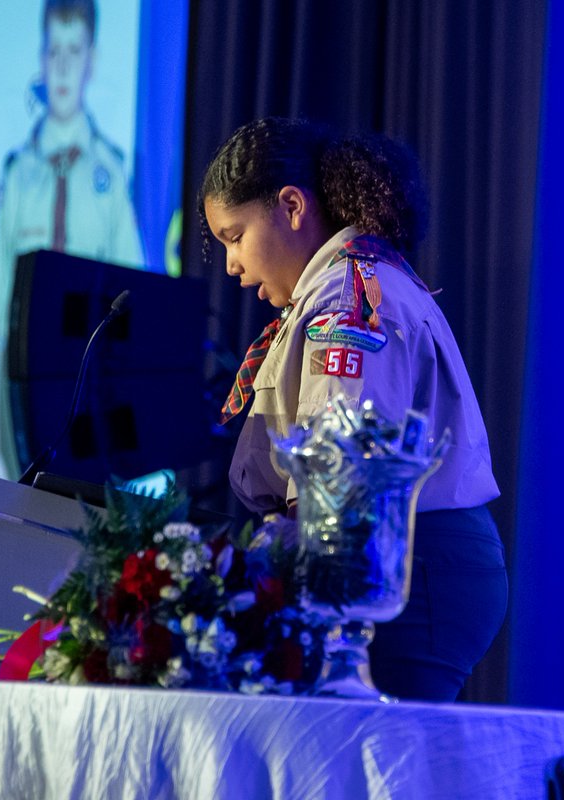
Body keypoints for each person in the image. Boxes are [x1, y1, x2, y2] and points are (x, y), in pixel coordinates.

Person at [201, 117, 507, 702]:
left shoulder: (347, 298)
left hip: (404, 565)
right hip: (412, 558)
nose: (231, 266)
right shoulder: (345, 286)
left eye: (234, 236)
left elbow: (346, 470)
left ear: (291, 206)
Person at [0, 0, 144, 479]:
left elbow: (133, 309)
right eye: (54, 51)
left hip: (87, 390)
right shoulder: (18, 176)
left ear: (92, 56)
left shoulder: (109, 175)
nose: (63, 65)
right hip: (24, 387)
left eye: (75, 50)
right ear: (41, 59)